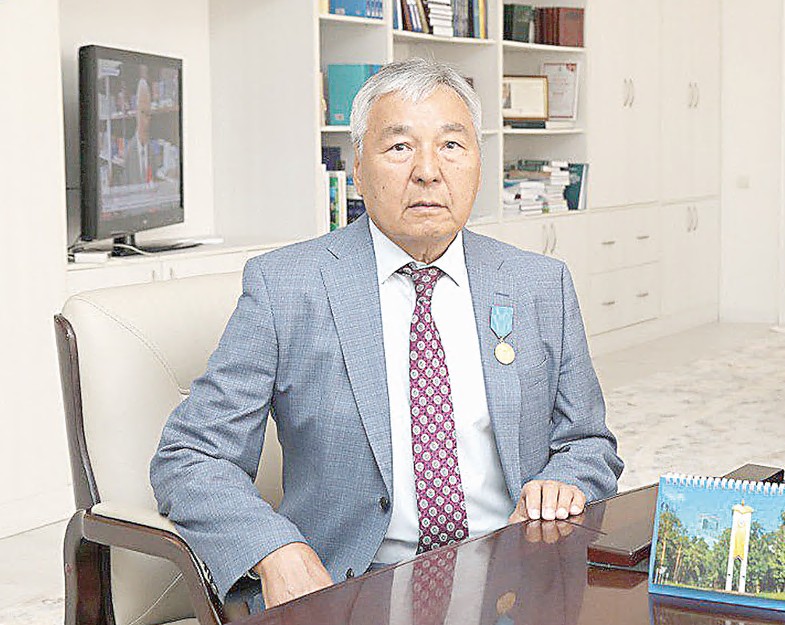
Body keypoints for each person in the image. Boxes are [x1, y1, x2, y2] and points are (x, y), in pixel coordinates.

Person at [150, 57, 623, 612]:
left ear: (478, 162)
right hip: (352, 588)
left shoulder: (539, 283)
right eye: (400, 147)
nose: (428, 171)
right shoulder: (287, 288)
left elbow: (588, 443)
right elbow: (190, 456)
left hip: (512, 578)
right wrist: (274, 549)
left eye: (451, 145)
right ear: (357, 168)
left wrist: (566, 480)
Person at [123, 77, 152, 185]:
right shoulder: (128, 152)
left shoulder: (152, 151)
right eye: (142, 112)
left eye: (148, 114)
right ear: (136, 113)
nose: (146, 120)